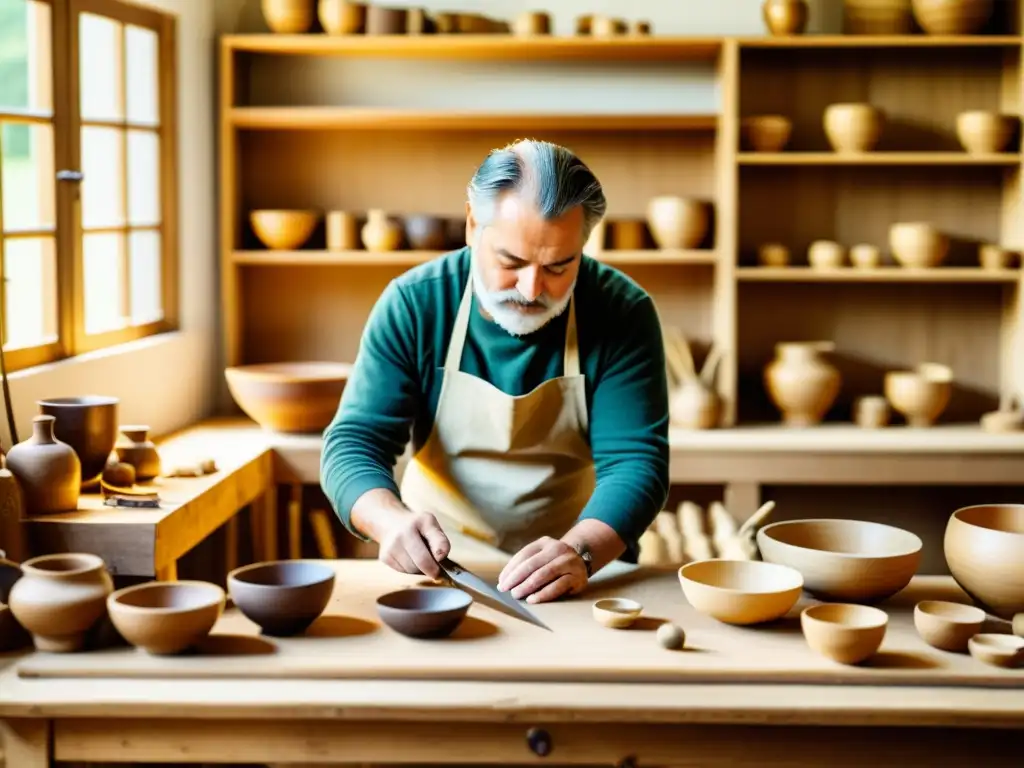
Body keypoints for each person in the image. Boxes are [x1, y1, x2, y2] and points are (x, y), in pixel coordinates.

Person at [320, 138, 669, 605]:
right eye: (511, 261)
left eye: (558, 267)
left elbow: (636, 462)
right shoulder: (416, 304)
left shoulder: (621, 312)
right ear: (471, 224)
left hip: (577, 563)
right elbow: (353, 442)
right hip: (440, 566)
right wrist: (391, 522)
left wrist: (582, 551)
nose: (531, 288)